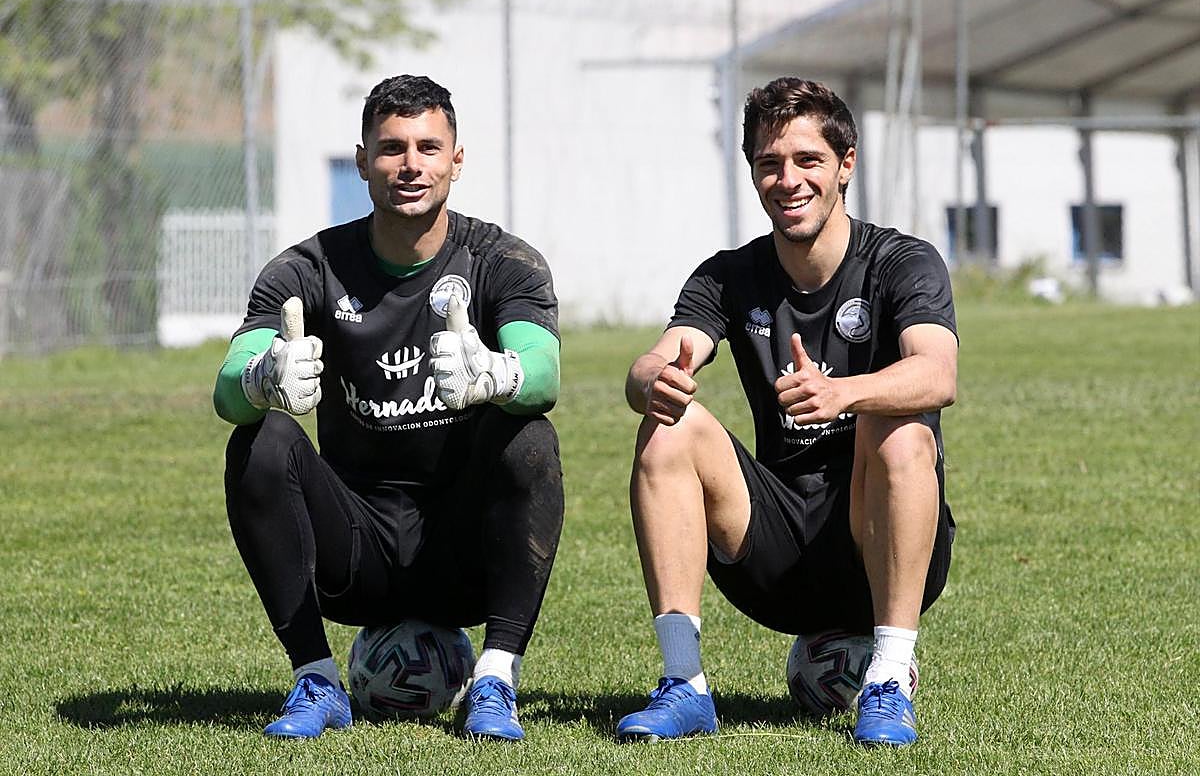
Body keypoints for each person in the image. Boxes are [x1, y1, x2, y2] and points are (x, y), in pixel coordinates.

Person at [213, 74, 564, 741]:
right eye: (392, 148)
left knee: (530, 435)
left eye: (428, 148)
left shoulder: (503, 262)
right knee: (260, 441)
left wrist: (499, 373)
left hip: (464, 553)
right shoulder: (307, 268)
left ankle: (495, 680)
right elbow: (228, 388)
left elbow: (544, 374)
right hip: (354, 555)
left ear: (456, 160)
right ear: (362, 160)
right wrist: (261, 378)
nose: (411, 165)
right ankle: (316, 680)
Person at [616, 77, 957, 747]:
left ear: (846, 165)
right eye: (769, 163)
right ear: (752, 172)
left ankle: (889, 680)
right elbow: (654, 362)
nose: (788, 180)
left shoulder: (902, 262)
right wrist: (654, 381)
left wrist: (844, 394)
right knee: (667, 428)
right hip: (775, 553)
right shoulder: (727, 276)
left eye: (808, 160)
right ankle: (683, 685)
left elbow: (938, 374)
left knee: (898, 426)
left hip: (877, 541)